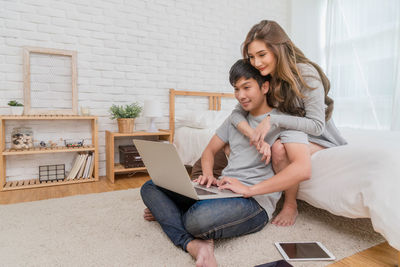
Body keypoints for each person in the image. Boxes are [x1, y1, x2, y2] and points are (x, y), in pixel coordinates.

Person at [141, 59, 311, 267]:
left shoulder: (284, 120)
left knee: (196, 220)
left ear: (265, 87)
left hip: (254, 202)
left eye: (246, 87)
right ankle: (192, 242)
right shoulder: (234, 119)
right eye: (236, 89)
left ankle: (171, 218)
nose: (240, 95)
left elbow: (302, 169)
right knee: (150, 187)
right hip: (222, 188)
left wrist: (249, 190)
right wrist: (208, 175)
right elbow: (209, 152)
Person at [229, 20, 347, 226]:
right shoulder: (264, 77)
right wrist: (252, 135)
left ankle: (290, 204)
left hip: (317, 136)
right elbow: (236, 115)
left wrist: (272, 120)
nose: (256, 63)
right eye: (251, 57)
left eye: (262, 55)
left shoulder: (306, 74)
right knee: (261, 144)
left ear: (278, 49)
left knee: (279, 148)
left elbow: (317, 125)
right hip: (290, 132)